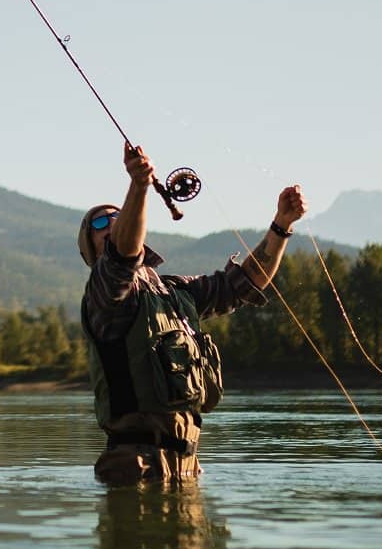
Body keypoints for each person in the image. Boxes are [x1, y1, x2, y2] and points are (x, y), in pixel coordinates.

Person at [80, 142, 306, 486]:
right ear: (90, 248)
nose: (111, 220)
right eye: (100, 221)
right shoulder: (104, 290)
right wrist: (139, 185)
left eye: (116, 215)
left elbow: (247, 282)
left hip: (186, 468)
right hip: (132, 468)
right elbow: (122, 254)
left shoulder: (177, 292)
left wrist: (281, 226)